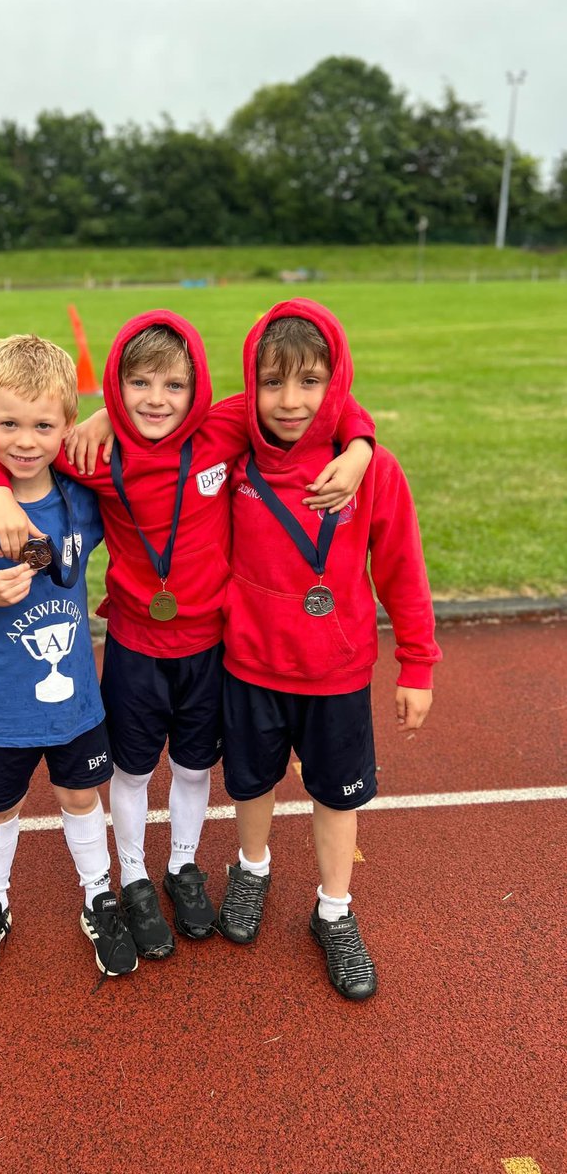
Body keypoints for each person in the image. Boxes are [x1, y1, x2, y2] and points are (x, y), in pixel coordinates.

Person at [0, 310, 376, 962]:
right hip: (134, 643)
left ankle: (183, 866)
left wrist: (359, 448)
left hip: (209, 646)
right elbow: (2, 439)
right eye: (140, 384)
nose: (157, 400)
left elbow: (325, 404)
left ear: (198, 387)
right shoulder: (93, 451)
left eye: (174, 385)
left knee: (192, 765)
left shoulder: (223, 428)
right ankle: (131, 877)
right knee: (130, 768)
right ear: (117, 389)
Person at [217, 298, 441, 1001]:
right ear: (251, 386)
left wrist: (418, 664)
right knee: (251, 782)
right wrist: (103, 414)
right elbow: (161, 433)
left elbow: (402, 568)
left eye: (310, 381)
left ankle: (333, 911)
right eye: (273, 382)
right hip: (249, 661)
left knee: (337, 796)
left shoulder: (371, 470)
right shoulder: (235, 457)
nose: (290, 401)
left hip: (337, 671)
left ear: (335, 381)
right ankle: (250, 869)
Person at [0, 334, 137, 983]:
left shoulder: (81, 497)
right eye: (8, 423)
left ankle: (98, 894)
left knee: (79, 794)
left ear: (67, 425)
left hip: (75, 703)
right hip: (2, 705)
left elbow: (136, 443)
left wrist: (103, 416)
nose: (26, 440)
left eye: (44, 424)